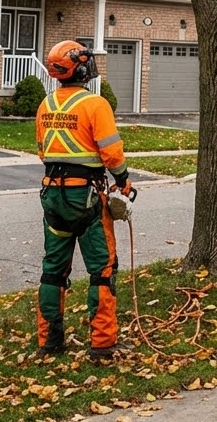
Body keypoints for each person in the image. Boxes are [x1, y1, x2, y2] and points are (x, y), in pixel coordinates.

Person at [35, 40, 135, 361]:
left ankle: (50, 342)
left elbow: (43, 151)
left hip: (53, 195)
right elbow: (112, 152)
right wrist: (123, 181)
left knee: (53, 270)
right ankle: (103, 344)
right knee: (103, 269)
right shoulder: (95, 104)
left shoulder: (46, 104)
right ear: (80, 69)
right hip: (86, 197)